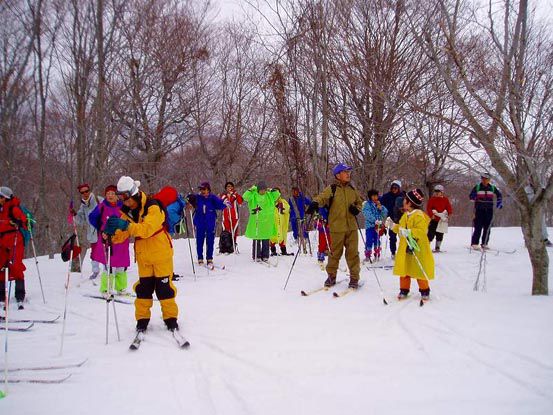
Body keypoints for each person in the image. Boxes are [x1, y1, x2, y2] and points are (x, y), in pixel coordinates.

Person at [103, 176, 179, 333]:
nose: (125, 202)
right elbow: (123, 232)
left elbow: (146, 229)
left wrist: (126, 225)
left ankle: (170, 319)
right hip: (143, 256)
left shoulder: (153, 206)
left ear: (134, 193)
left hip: (160, 254)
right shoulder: (127, 210)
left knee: (164, 288)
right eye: (122, 198)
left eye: (127, 198)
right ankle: (142, 320)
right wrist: (111, 234)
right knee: (143, 289)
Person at [307, 163, 364, 289]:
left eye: (349, 171)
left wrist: (356, 209)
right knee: (334, 253)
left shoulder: (352, 189)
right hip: (337, 227)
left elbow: (360, 202)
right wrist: (314, 203)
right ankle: (331, 276)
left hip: (352, 227)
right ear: (338, 175)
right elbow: (322, 197)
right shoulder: (332, 188)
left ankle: (354, 278)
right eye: (345, 172)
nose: (348, 174)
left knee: (353, 254)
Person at [386, 188, 434, 301]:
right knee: (405, 269)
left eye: (405, 200)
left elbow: (421, 231)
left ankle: (425, 290)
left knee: (418, 270)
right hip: (405, 248)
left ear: (409, 203)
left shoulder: (419, 216)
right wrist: (393, 226)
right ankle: (404, 289)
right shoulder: (406, 215)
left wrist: (409, 232)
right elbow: (401, 228)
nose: (403, 201)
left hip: (417, 248)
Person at [88, 185, 131, 295]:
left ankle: (120, 288)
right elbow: (92, 217)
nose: (110, 196)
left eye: (112, 193)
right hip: (107, 240)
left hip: (121, 240)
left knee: (121, 265)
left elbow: (130, 218)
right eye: (108, 194)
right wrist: (101, 228)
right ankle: (106, 289)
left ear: (117, 195)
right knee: (109, 266)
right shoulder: (102, 206)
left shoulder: (123, 205)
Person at [187, 182, 228, 266]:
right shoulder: (197, 198)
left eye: (204, 189)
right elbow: (188, 200)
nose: (203, 191)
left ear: (208, 189)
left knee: (210, 241)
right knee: (199, 241)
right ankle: (200, 258)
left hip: (210, 222)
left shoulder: (212, 198)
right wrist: (189, 203)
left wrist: (225, 204)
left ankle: (209, 258)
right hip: (200, 222)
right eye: (201, 189)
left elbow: (220, 204)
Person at [0, 186, 28, 309]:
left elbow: (26, 222)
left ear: (6, 198)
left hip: (15, 241)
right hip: (1, 241)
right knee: (0, 267)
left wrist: (19, 222)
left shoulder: (14, 209)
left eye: (1, 197)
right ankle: (1, 296)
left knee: (16, 266)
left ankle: (20, 295)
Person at [71, 183, 103, 280]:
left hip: (103, 230)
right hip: (92, 233)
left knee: (105, 251)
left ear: (89, 190)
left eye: (86, 191)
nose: (85, 193)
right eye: (82, 192)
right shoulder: (83, 205)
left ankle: (110, 269)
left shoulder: (98, 200)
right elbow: (80, 220)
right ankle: (95, 271)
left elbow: (109, 209)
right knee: (94, 253)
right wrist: (75, 214)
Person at [243, 181, 280, 262]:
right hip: (257, 221)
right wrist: (250, 190)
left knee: (266, 238)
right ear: (258, 190)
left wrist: (271, 190)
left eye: (264, 190)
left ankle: (265, 255)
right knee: (257, 238)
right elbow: (245, 197)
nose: (263, 192)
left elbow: (277, 194)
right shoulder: (254, 195)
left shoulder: (269, 195)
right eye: (261, 190)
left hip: (267, 221)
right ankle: (257, 255)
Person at [469, 173, 503, 249]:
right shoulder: (477, 187)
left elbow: (499, 195)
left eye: (486, 179)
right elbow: (471, 196)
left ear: (489, 180)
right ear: (481, 179)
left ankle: (484, 243)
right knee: (478, 227)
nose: (484, 180)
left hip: (489, 210)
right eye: (483, 179)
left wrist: (499, 202)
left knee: (487, 227)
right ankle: (474, 243)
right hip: (479, 209)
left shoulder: (493, 188)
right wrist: (474, 197)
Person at [380, 180, 405, 259]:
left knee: (403, 237)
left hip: (401, 219)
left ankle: (403, 252)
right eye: (393, 188)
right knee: (392, 237)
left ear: (399, 188)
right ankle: (393, 252)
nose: (394, 190)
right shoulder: (386, 196)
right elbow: (380, 202)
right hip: (391, 219)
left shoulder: (403, 195)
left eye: (396, 188)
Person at [362, 189, 388, 262]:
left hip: (378, 226)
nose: (375, 197)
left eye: (376, 196)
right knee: (369, 239)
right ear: (370, 196)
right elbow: (366, 214)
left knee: (377, 240)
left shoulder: (379, 204)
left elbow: (385, 213)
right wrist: (374, 220)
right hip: (370, 226)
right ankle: (368, 254)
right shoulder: (367, 204)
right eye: (373, 196)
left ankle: (377, 254)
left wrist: (381, 208)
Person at [426, 184, 453, 252]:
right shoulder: (432, 199)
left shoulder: (445, 199)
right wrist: (431, 215)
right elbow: (428, 208)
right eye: (435, 191)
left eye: (438, 191)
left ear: (442, 192)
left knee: (440, 234)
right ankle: (426, 246)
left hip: (441, 220)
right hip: (434, 219)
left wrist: (449, 214)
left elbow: (449, 207)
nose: (436, 193)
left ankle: (437, 247)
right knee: (430, 233)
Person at [219, 181, 243, 246]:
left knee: (234, 231)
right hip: (226, 217)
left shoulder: (235, 194)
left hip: (234, 216)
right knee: (226, 232)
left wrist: (236, 195)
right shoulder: (223, 195)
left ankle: (233, 244)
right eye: (228, 186)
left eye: (231, 186)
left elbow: (240, 201)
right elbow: (219, 204)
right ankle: (226, 245)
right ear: (226, 188)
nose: (230, 188)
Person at [288, 186, 311, 252]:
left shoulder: (302, 198)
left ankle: (306, 238)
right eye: (292, 191)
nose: (293, 193)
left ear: (297, 191)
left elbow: (309, 203)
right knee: (294, 228)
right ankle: (296, 238)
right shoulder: (291, 199)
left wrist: (307, 209)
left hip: (301, 215)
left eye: (294, 191)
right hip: (293, 216)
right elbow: (289, 207)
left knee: (303, 228)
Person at [270, 188, 291, 256]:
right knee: (272, 237)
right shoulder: (270, 202)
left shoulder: (283, 201)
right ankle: (273, 250)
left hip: (281, 223)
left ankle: (283, 250)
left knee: (282, 237)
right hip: (273, 223)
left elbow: (287, 208)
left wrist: (281, 206)